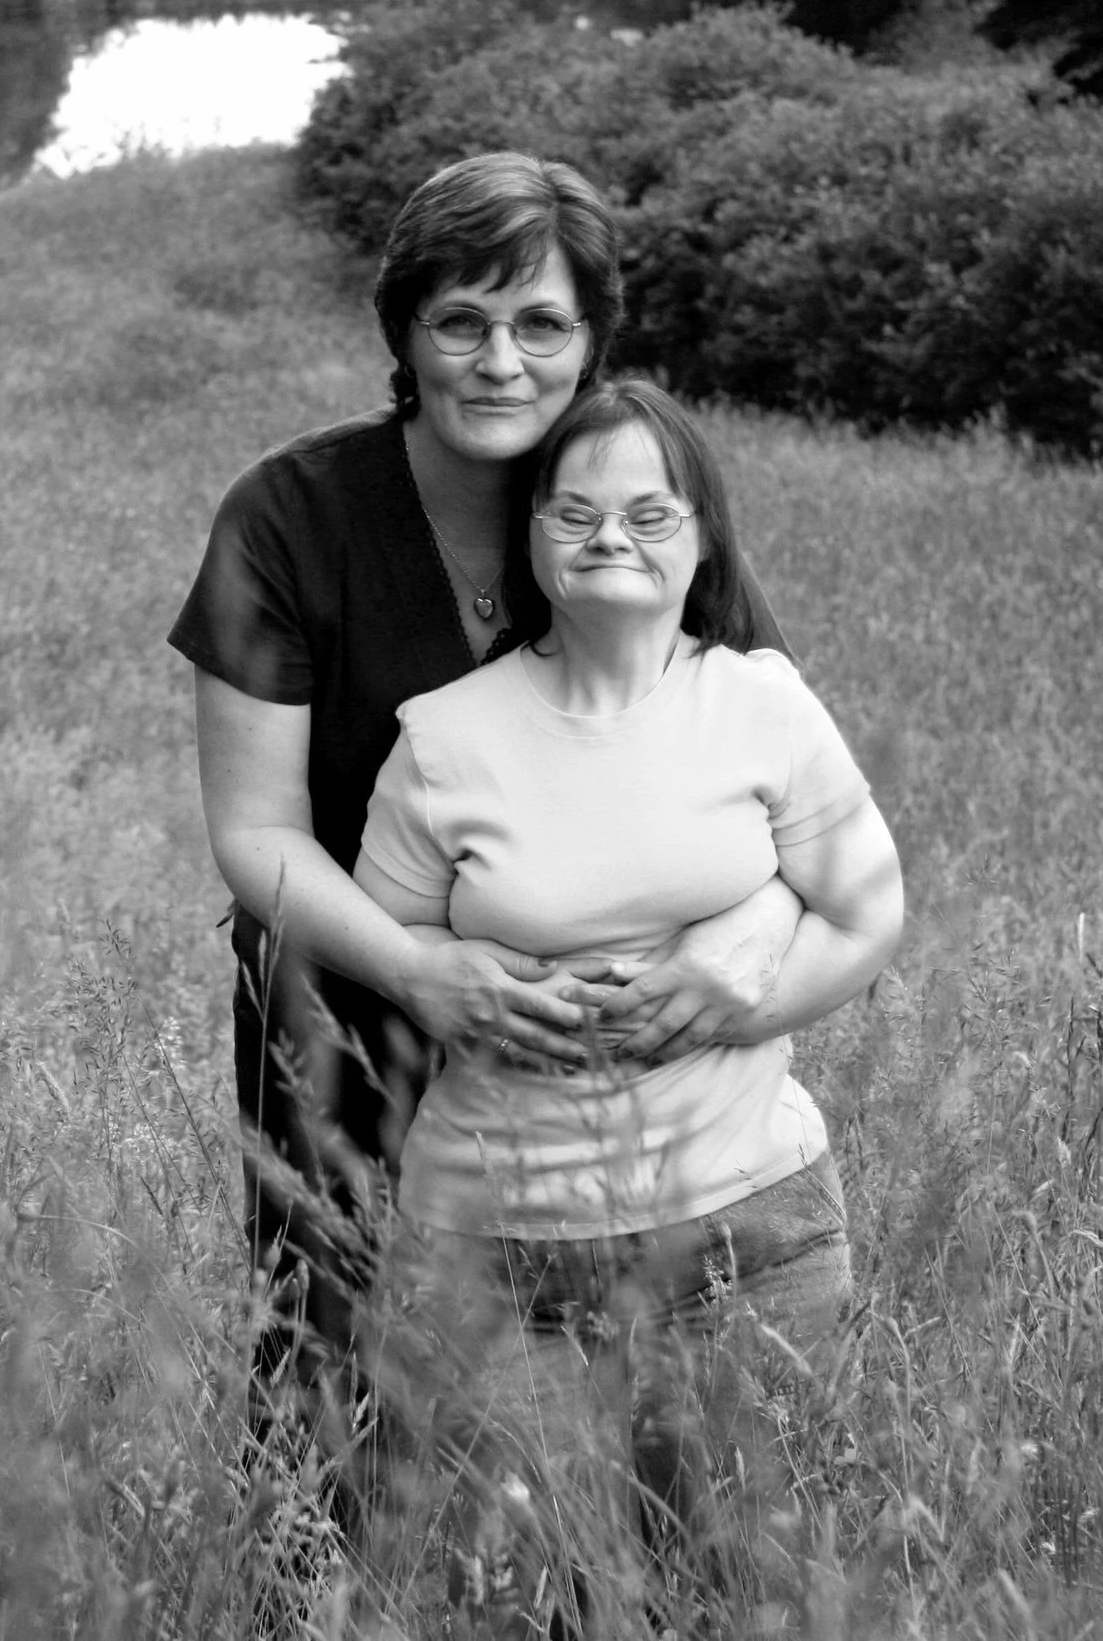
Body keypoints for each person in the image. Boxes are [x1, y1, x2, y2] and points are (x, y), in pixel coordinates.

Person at [166, 152, 803, 1525]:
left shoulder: (624, 505)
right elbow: (257, 830)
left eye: (541, 325)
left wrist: (741, 945)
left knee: (626, 1396)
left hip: (609, 1049)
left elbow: (778, 781)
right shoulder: (286, 518)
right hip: (340, 1021)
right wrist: (417, 969)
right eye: (460, 320)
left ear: (592, 341)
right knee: (328, 1375)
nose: (499, 360)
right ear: (402, 330)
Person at [348, 378, 904, 1632]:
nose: (612, 537)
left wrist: (732, 1008)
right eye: (576, 511)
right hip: (493, 1254)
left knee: (746, 1596)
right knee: (520, 1597)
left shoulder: (761, 702)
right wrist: (462, 987)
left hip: (749, 1240)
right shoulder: (441, 738)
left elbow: (867, 914)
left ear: (702, 536)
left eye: (650, 514)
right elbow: (387, 949)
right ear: (530, 539)